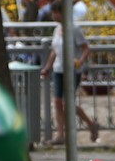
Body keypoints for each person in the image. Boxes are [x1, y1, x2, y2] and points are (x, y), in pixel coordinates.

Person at [39, 16, 99, 144]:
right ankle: (60, 134)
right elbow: (54, 51)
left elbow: (86, 48)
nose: (54, 15)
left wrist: (80, 61)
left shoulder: (74, 29)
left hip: (72, 70)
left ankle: (90, 124)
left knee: (68, 103)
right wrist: (48, 67)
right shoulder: (57, 29)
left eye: (56, 12)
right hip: (58, 69)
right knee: (57, 102)